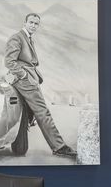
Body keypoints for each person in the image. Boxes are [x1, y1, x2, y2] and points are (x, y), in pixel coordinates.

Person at [4, 11, 76, 159]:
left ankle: (25, 142)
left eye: (36, 24)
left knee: (34, 112)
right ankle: (59, 147)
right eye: (31, 22)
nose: (33, 26)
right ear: (25, 23)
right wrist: (23, 75)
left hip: (30, 79)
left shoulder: (28, 38)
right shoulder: (17, 38)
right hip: (26, 81)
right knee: (43, 112)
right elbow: (9, 61)